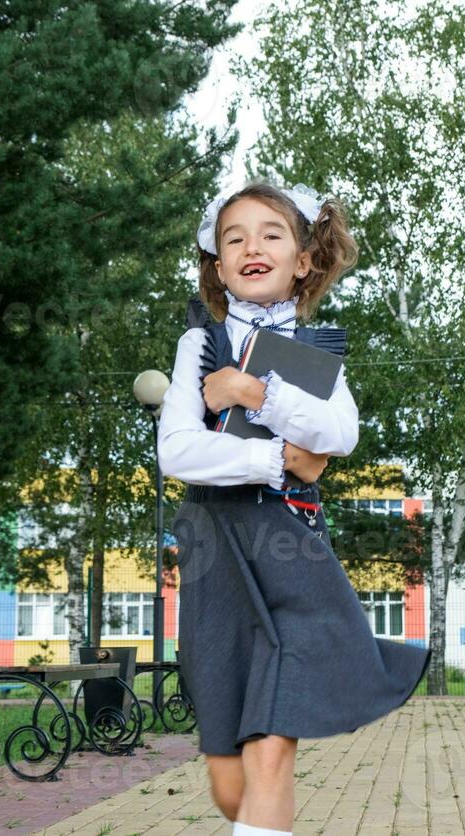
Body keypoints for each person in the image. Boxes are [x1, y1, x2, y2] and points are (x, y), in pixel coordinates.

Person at [158, 178, 431, 836]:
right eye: (235, 237)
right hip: (215, 553)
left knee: (272, 751)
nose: (253, 246)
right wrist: (276, 457)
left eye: (271, 234)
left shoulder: (319, 353)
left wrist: (254, 392)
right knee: (231, 780)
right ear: (219, 267)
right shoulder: (200, 345)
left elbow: (339, 436)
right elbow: (178, 452)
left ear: (303, 260)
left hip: (292, 550)